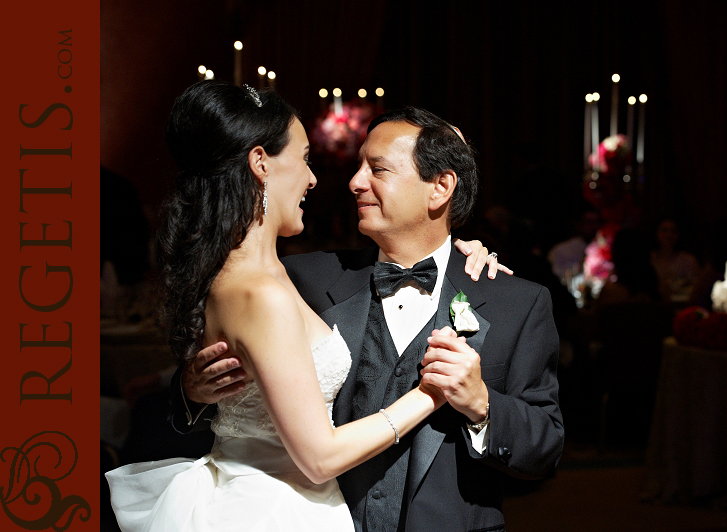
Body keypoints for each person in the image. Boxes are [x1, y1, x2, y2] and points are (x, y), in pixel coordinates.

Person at [105, 81, 503, 532]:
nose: (315, 178)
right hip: (272, 509)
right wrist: (432, 394)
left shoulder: (288, 276)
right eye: (305, 158)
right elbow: (319, 457)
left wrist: (453, 253)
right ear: (260, 163)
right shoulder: (262, 292)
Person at [177, 106, 565, 531]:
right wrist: (190, 392)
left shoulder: (516, 303)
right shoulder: (302, 280)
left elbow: (544, 449)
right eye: (359, 165)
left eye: (377, 169)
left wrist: (481, 405)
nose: (355, 182)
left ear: (440, 188)